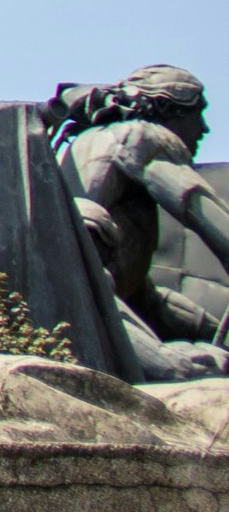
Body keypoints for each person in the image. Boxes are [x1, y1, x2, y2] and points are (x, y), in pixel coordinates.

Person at [52, 65, 229, 379]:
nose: (203, 129)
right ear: (165, 108)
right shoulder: (142, 137)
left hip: (95, 299)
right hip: (87, 302)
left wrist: (203, 326)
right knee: (191, 373)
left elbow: (135, 290)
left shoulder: (86, 142)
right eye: (197, 114)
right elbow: (208, 216)